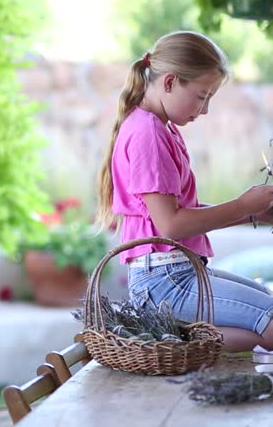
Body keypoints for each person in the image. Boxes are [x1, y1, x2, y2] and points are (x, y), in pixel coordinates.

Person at [96, 30, 273, 352]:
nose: (204, 110)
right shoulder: (147, 133)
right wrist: (241, 204)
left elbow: (175, 215)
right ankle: (174, 339)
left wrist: (252, 213)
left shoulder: (160, 128)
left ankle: (179, 335)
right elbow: (171, 226)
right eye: (202, 95)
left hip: (177, 272)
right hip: (165, 283)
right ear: (169, 82)